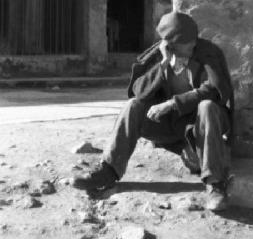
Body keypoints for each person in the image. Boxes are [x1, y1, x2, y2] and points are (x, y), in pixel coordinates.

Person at [72, 11, 234, 211]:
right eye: (186, 41)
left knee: (207, 105)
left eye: (194, 39)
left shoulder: (208, 52)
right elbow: (138, 92)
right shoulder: (157, 55)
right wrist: (163, 65)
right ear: (171, 43)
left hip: (202, 124)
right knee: (133, 106)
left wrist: (172, 103)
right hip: (171, 126)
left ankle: (215, 185)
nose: (193, 43)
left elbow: (216, 91)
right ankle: (108, 171)